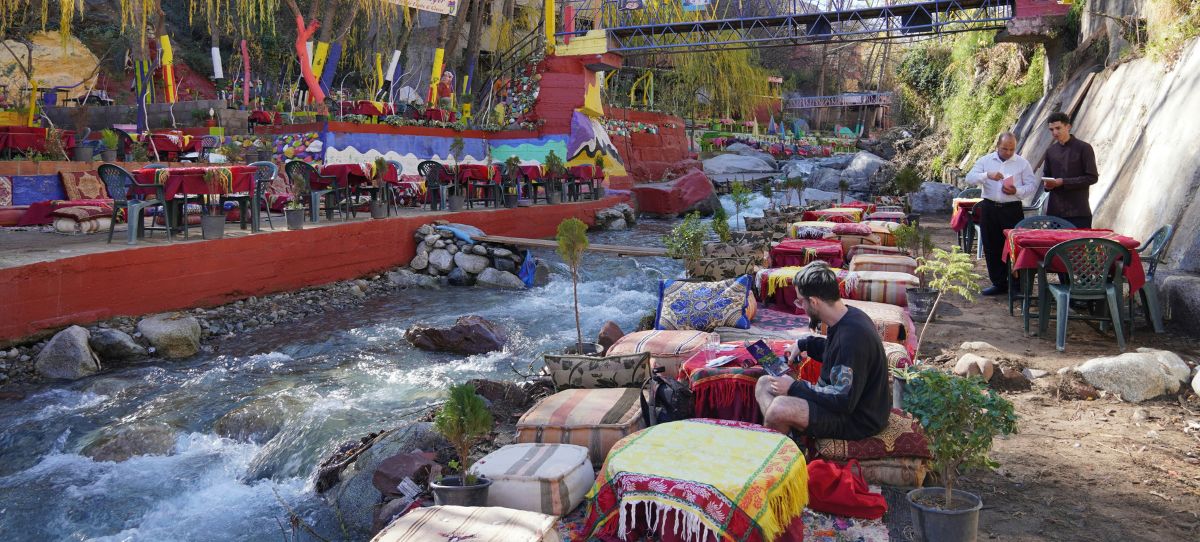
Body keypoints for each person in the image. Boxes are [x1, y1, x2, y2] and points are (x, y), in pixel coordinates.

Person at [754, 262, 891, 441]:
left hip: (857, 419)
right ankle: (788, 438)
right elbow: (833, 350)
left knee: (779, 408)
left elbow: (843, 400)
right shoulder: (847, 316)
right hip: (841, 401)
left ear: (814, 301)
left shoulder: (851, 338)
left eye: (800, 301)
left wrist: (794, 387)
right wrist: (804, 344)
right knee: (764, 384)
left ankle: (781, 449)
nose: (800, 306)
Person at [965, 132, 1038, 296]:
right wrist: (987, 175)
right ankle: (998, 283)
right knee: (991, 246)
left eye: (1012, 149)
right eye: (1005, 149)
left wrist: (1016, 190)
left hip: (1012, 208)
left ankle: (1017, 285)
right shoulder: (986, 161)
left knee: (1015, 246)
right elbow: (969, 178)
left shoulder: (1022, 163)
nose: (1008, 152)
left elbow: (1032, 185)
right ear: (997, 146)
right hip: (989, 207)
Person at [1043, 112, 1098, 228]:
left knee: (1081, 241)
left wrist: (1063, 182)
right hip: (1055, 212)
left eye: (1058, 128)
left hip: (1078, 212)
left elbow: (1092, 177)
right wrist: (1047, 185)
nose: (1054, 132)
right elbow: (1046, 176)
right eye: (1051, 129)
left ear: (1068, 126)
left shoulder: (1084, 148)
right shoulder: (1050, 151)